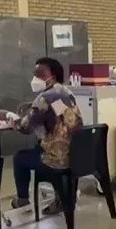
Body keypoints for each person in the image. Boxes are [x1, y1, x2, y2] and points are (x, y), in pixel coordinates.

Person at [9, 57, 83, 212]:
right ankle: (62, 198)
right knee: (38, 147)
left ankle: (22, 200)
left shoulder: (43, 98)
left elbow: (25, 127)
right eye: (35, 74)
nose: (36, 78)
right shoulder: (65, 92)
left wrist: (8, 118)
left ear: (53, 75)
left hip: (56, 159)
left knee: (19, 158)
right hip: (75, 154)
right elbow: (62, 116)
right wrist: (35, 109)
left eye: (40, 74)